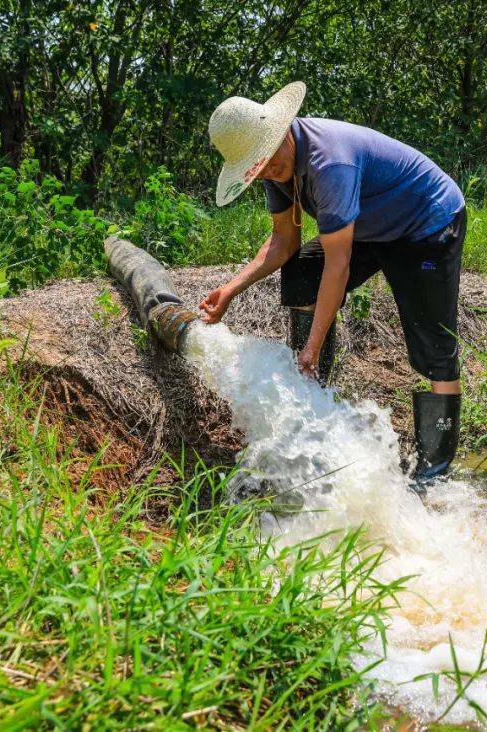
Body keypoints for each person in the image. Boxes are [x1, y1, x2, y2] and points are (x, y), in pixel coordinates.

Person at [199, 81, 466, 483]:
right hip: (371, 225)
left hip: (426, 223)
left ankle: (434, 473)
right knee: (302, 269)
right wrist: (232, 288)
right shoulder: (274, 168)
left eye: (271, 158)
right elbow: (284, 241)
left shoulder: (329, 164)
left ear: (281, 130)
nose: (270, 170)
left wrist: (312, 345)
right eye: (259, 168)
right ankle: (315, 409)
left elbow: (338, 266)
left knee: (433, 343)